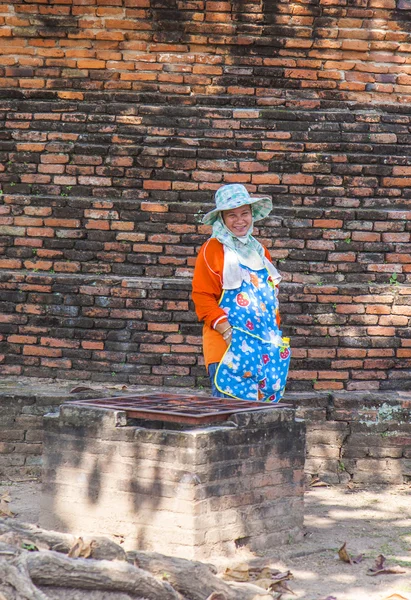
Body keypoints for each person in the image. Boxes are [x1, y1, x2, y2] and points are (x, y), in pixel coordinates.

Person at [192, 183, 291, 402]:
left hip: (265, 352)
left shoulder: (260, 250)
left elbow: (269, 299)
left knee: (261, 424)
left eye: (244, 213)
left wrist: (275, 338)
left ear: (252, 214)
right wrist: (228, 333)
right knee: (229, 421)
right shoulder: (214, 249)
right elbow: (202, 297)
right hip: (228, 349)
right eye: (232, 215)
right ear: (222, 220)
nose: (240, 221)